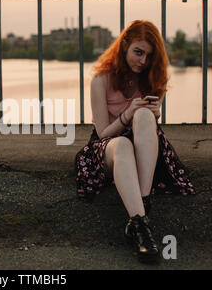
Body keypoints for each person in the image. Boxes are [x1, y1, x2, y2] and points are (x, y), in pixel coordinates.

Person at [74, 20, 196, 263]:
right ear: (124, 46)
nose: (143, 61)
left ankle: (139, 218)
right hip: (107, 147)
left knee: (143, 115)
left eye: (149, 56)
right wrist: (127, 114)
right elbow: (102, 133)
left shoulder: (152, 78)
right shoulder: (101, 79)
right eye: (138, 52)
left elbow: (146, 127)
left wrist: (151, 116)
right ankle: (142, 219)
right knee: (122, 143)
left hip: (145, 148)